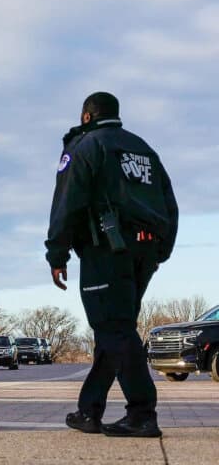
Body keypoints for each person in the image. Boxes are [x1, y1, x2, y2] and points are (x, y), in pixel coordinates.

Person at [46, 92, 178, 438]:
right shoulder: (143, 148)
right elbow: (169, 201)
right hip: (145, 250)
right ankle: (89, 410)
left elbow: (67, 200)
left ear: (87, 116)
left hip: (106, 248)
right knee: (115, 329)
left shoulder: (86, 145)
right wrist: (161, 250)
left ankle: (141, 413)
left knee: (113, 328)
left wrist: (56, 254)